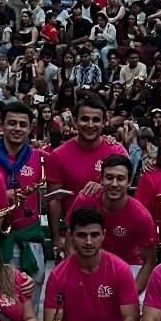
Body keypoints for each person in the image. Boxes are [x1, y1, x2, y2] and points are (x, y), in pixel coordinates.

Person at [0, 101, 58, 300]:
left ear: (30, 128)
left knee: (29, 307)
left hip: (30, 241)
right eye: (12, 123)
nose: (17, 128)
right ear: (1, 125)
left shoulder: (41, 158)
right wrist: (1, 197)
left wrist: (111, 141)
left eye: (22, 124)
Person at [64, 155, 157, 293]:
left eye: (120, 178)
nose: (114, 184)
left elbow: (149, 261)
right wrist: (78, 273)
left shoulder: (141, 216)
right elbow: (69, 239)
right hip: (89, 262)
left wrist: (132, 293)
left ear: (129, 182)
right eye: (109, 177)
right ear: (101, 179)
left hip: (129, 265)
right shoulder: (85, 200)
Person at [49, 98, 118, 251]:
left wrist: (102, 188)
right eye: (85, 119)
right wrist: (55, 238)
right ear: (75, 120)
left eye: (96, 120)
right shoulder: (58, 155)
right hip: (75, 238)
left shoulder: (116, 151)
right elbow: (55, 200)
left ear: (104, 122)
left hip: (112, 236)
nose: (90, 125)